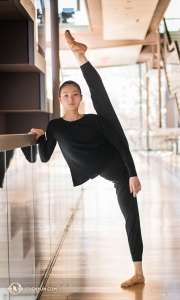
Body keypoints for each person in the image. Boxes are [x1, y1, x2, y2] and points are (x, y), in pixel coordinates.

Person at [29, 30, 145, 288]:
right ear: (60, 100)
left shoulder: (93, 120)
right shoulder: (55, 126)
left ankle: (138, 272)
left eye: (75, 94)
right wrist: (39, 137)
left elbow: (121, 145)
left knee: (131, 218)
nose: (71, 99)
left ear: (81, 98)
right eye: (66, 95)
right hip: (111, 172)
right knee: (130, 217)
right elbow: (45, 157)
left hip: (121, 171)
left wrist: (133, 173)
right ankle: (80, 54)